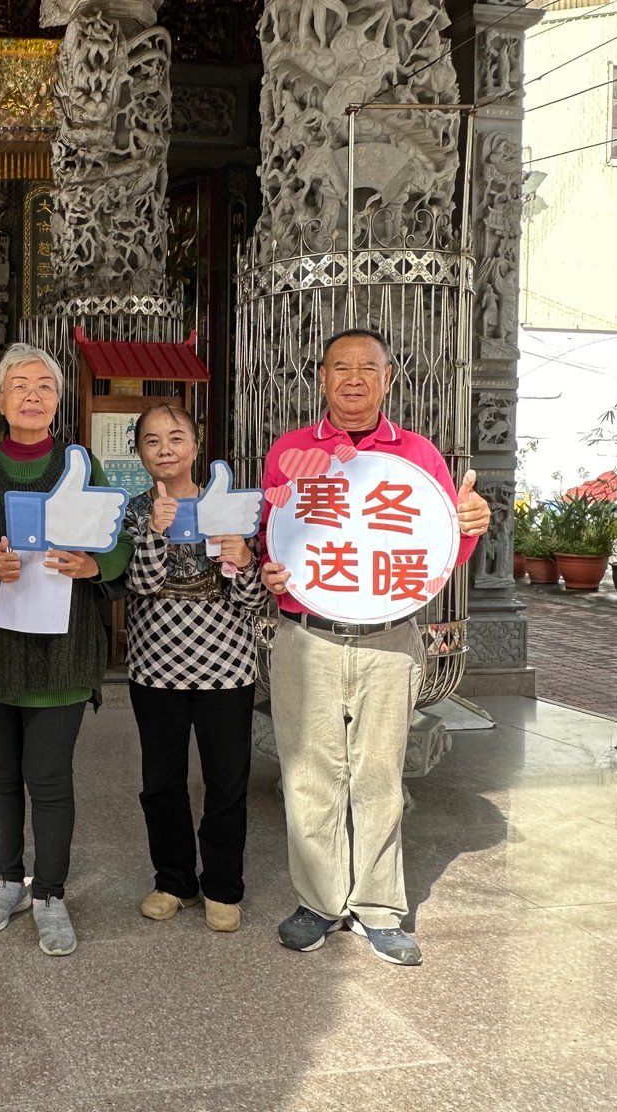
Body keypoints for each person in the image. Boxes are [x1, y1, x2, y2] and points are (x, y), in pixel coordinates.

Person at [260, 328, 488, 966]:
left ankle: (379, 908)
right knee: (308, 773)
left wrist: (469, 526)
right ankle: (318, 901)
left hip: (390, 638)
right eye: (341, 367)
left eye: (368, 367)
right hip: (306, 635)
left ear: (389, 379)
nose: (354, 378)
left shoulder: (416, 455)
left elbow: (438, 551)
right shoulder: (290, 453)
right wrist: (268, 568)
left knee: (380, 774)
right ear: (322, 378)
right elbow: (268, 538)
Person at [0, 343, 130, 957]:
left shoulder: (82, 465)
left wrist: (92, 564)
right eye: (19, 385)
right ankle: (7, 882)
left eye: (44, 386)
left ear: (57, 401)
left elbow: (119, 542)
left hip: (63, 648)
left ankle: (49, 892)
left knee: (48, 777)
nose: (32, 395)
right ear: (0, 401)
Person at [119, 404, 266, 934]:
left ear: (196, 445)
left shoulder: (229, 506)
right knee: (161, 782)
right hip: (155, 667)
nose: (165, 449)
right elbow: (138, 586)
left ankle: (223, 887)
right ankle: (174, 881)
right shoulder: (131, 512)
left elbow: (254, 602)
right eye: (152, 440)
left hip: (226, 667)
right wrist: (155, 533)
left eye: (176, 437)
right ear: (139, 452)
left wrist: (245, 561)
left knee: (226, 782)